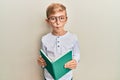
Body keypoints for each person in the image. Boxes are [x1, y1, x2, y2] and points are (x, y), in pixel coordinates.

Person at [37, 3, 80, 80]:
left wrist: (75, 61)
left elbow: (76, 54)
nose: (58, 22)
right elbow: (43, 58)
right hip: (49, 77)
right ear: (48, 21)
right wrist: (41, 63)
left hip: (67, 77)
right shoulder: (44, 39)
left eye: (61, 18)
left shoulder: (73, 38)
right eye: (53, 18)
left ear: (66, 19)